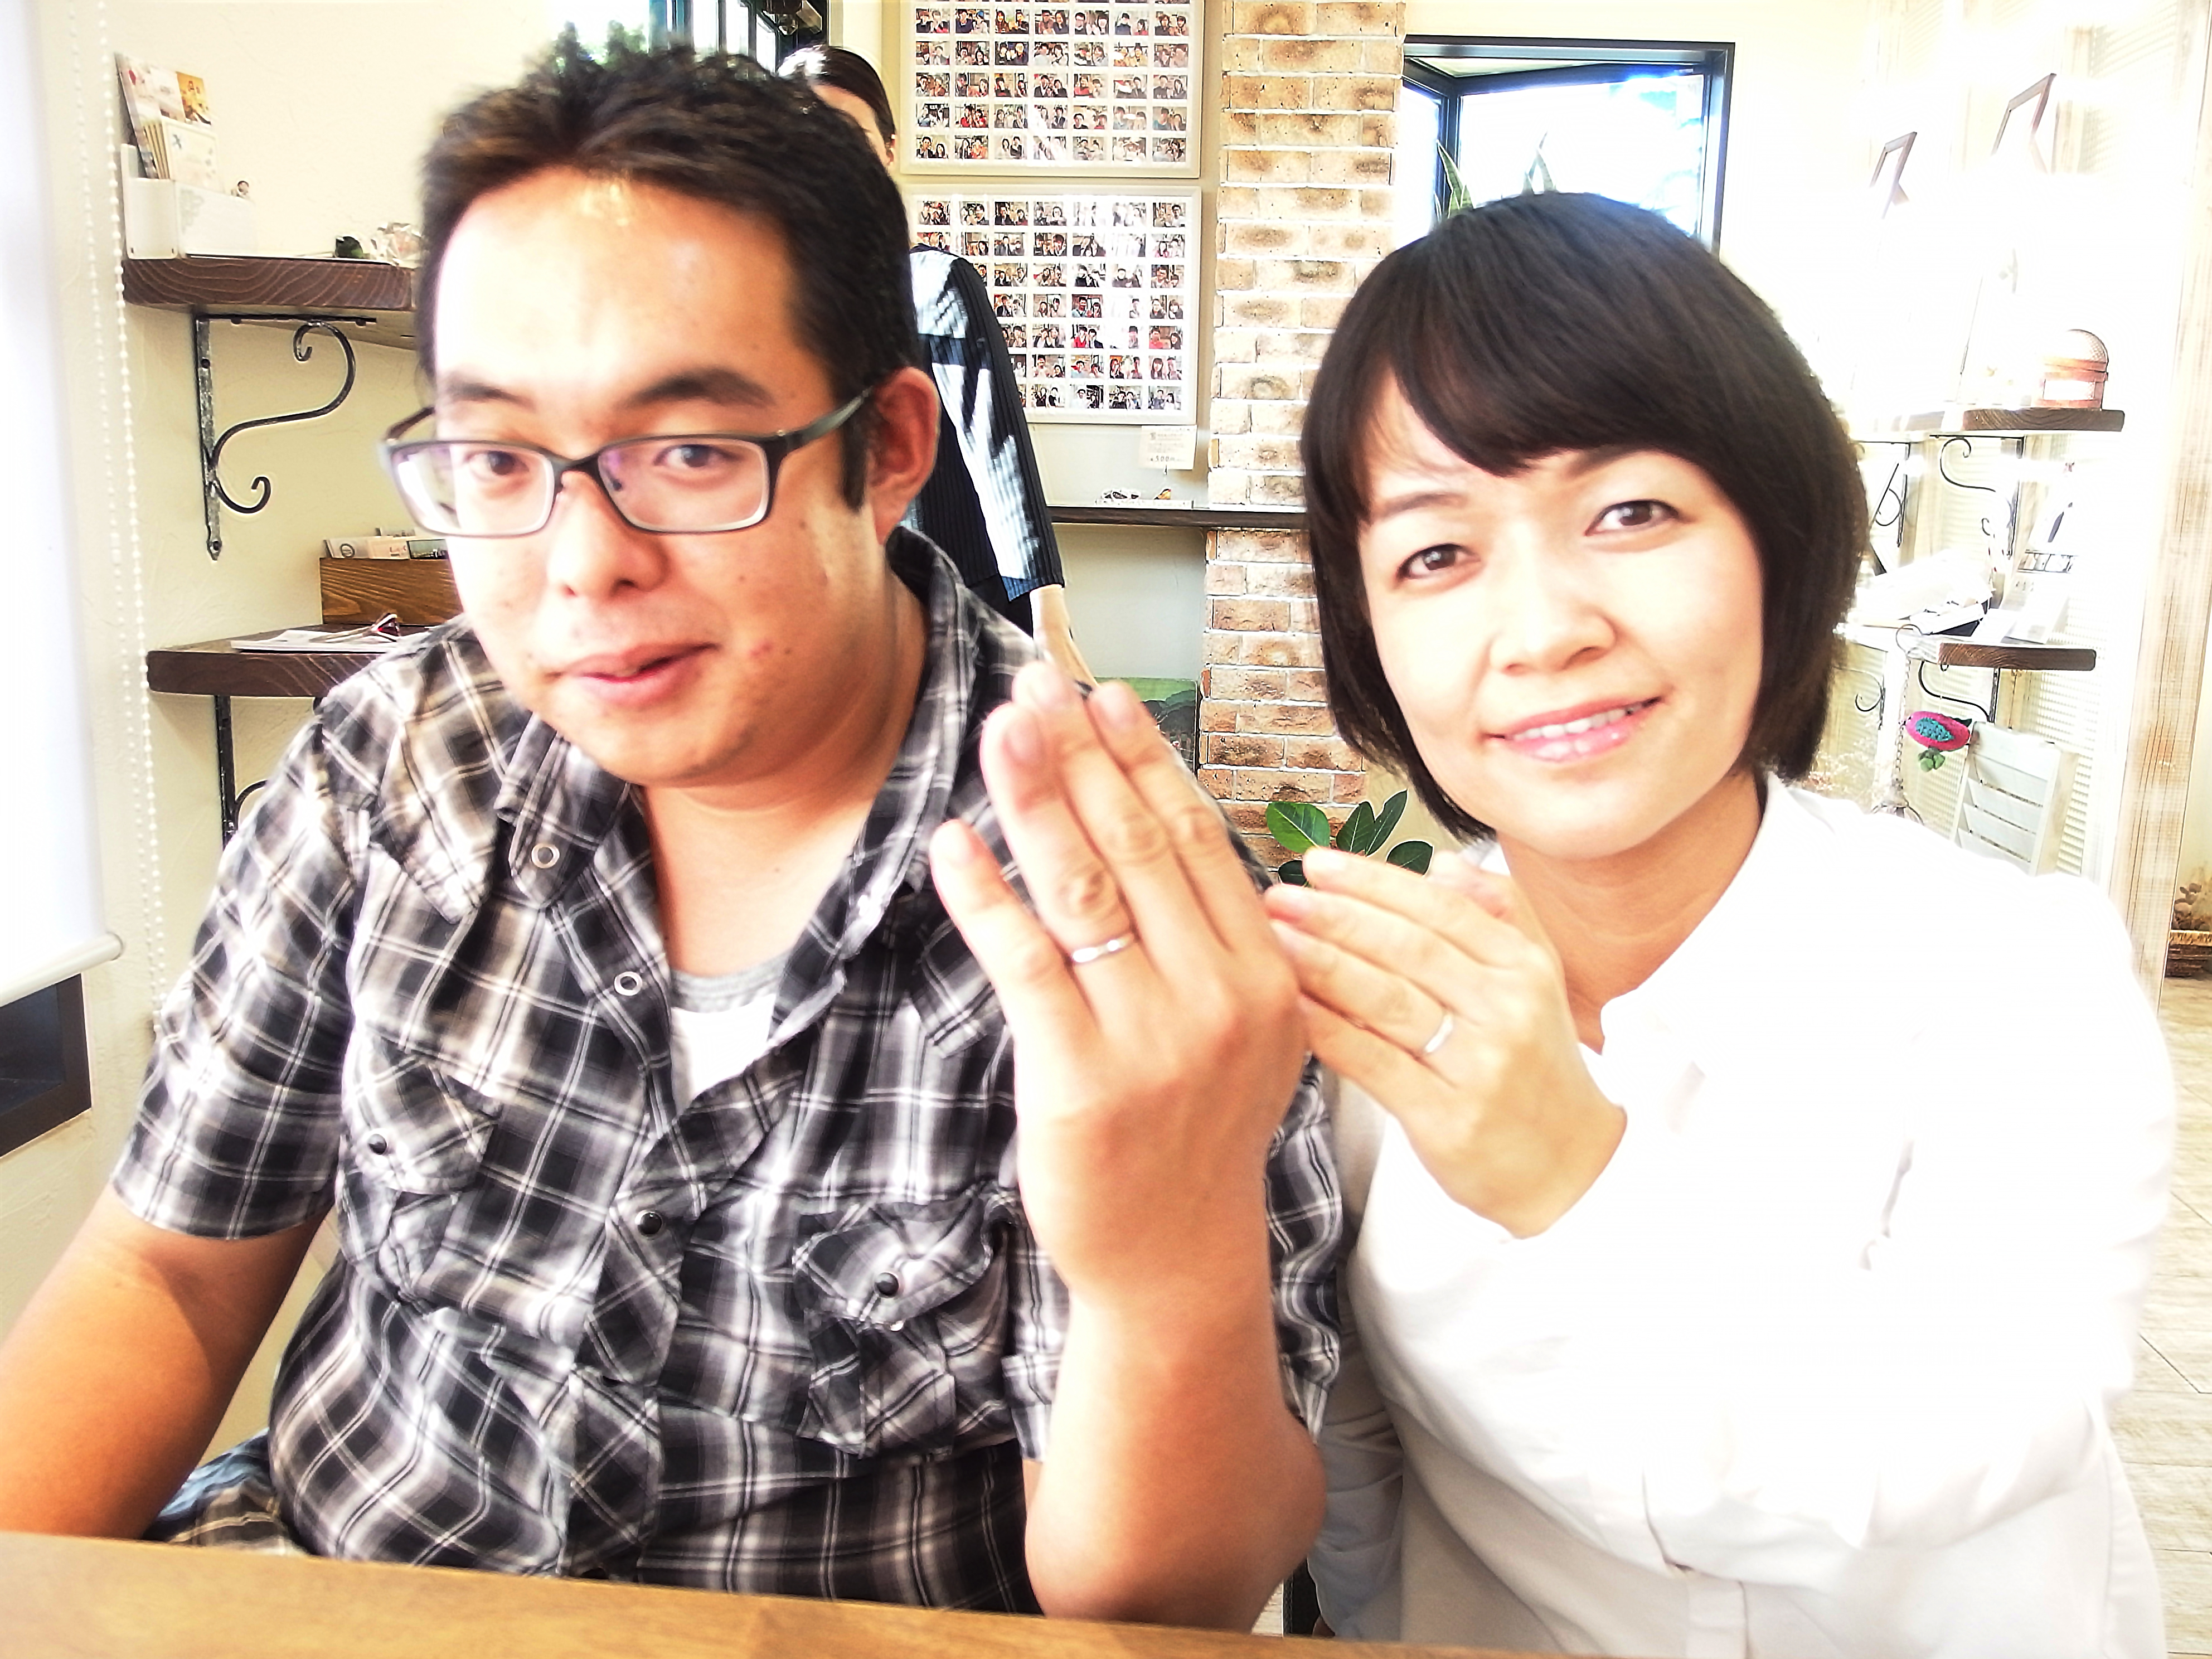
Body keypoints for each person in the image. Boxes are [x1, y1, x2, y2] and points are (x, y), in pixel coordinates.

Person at [0, 39, 1337, 1628]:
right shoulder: (399, 761)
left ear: (889, 451)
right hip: (334, 1596)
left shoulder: (1114, 905)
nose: (584, 563)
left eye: (691, 453)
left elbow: (1165, 1600)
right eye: (498, 460)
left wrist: (1158, 1263)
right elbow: (163, 1277)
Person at [1255, 194, 2169, 1656]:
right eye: (1436, 555)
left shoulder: (2016, 974)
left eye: (1630, 513)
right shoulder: (1370, 1019)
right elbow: (1359, 1488)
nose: (1543, 630)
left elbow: (1979, 1430)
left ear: (1777, 538)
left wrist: (1568, 1173)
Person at [777, 44, 1097, 685]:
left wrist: (1050, 626)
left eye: (850, 137)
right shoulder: (774, 303)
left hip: (957, 612)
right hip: (838, 614)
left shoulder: (935, 285)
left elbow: (1000, 457)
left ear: (889, 150)